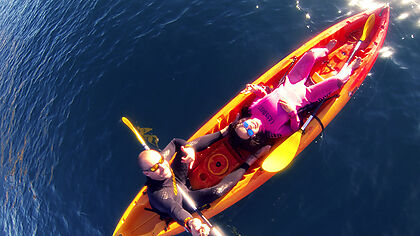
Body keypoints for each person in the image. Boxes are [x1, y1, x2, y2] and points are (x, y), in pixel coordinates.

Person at [138, 128, 270, 236]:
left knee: (185, 150)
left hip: (178, 179)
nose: (162, 167)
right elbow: (176, 210)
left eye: (161, 161)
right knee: (217, 191)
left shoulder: (161, 162)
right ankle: (251, 160)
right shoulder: (160, 196)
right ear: (147, 174)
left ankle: (224, 132)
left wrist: (189, 148)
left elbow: (175, 142)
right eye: (155, 167)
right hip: (182, 201)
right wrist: (192, 223)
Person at [231, 40, 361, 149]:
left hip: (291, 82)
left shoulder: (253, 109)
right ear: (253, 136)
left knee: (310, 54)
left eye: (245, 125)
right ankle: (350, 68)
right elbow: (293, 129)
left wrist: (256, 89)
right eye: (249, 132)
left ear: (243, 120)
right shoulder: (272, 132)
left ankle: (326, 50)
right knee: (337, 81)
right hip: (306, 96)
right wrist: (292, 112)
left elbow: (263, 96)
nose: (250, 127)